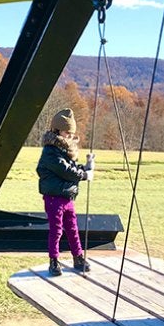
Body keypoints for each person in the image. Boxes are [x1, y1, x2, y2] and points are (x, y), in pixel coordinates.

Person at [36, 108, 94, 276]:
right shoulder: (50, 151)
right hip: (54, 198)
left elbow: (72, 167)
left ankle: (78, 257)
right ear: (57, 130)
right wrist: (84, 175)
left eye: (71, 133)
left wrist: (85, 167)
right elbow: (65, 170)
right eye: (67, 132)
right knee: (57, 230)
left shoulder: (63, 150)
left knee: (73, 229)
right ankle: (53, 261)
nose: (69, 135)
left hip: (67, 197)